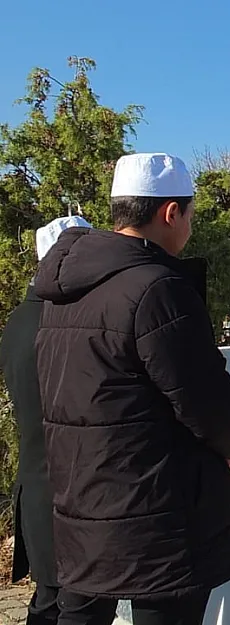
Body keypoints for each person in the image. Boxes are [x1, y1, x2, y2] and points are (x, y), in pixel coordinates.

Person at [33, 153, 230, 625]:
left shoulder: (63, 292)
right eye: (190, 214)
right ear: (171, 212)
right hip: (157, 513)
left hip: (83, 498)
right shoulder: (156, 288)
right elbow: (207, 403)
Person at [0, 215, 92, 625]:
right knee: (70, 608)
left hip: (36, 489)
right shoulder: (66, 320)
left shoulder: (19, 319)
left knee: (47, 603)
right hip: (72, 495)